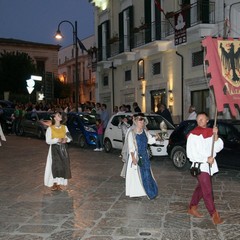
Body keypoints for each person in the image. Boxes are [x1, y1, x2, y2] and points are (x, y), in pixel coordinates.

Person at [186, 112, 224, 225]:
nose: (200, 121)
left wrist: (216, 135)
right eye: (198, 119)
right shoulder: (193, 135)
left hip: (209, 167)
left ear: (207, 120)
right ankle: (214, 214)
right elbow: (190, 154)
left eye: (202, 119)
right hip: (200, 166)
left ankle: (192, 207)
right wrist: (206, 159)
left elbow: (218, 148)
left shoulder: (210, 133)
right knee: (207, 191)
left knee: (201, 188)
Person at [124, 113, 159, 200]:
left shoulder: (145, 132)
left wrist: (157, 137)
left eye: (143, 121)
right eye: (140, 121)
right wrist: (133, 158)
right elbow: (131, 147)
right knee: (137, 175)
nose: (142, 123)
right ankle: (137, 192)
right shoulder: (132, 133)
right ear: (135, 121)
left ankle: (148, 191)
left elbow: (150, 141)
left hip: (145, 155)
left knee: (147, 173)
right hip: (136, 156)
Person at [44, 112, 72, 191]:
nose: (59, 116)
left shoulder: (65, 127)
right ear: (55, 118)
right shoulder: (50, 128)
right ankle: (54, 183)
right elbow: (48, 140)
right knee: (54, 166)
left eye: (60, 115)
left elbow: (70, 138)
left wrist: (66, 139)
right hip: (54, 149)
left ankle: (59, 184)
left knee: (62, 166)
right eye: (57, 115)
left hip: (63, 149)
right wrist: (57, 140)